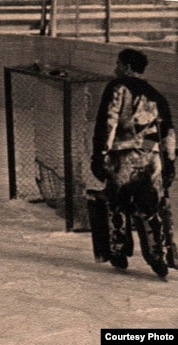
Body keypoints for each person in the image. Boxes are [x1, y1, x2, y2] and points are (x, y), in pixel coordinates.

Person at [91, 48, 177, 278]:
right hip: (151, 160)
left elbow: (108, 122)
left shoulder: (118, 87)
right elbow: (168, 134)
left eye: (118, 64)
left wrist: (99, 155)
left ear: (127, 67)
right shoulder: (157, 95)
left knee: (116, 203)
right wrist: (169, 166)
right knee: (149, 208)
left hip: (122, 158)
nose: (115, 68)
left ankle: (118, 250)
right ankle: (156, 256)